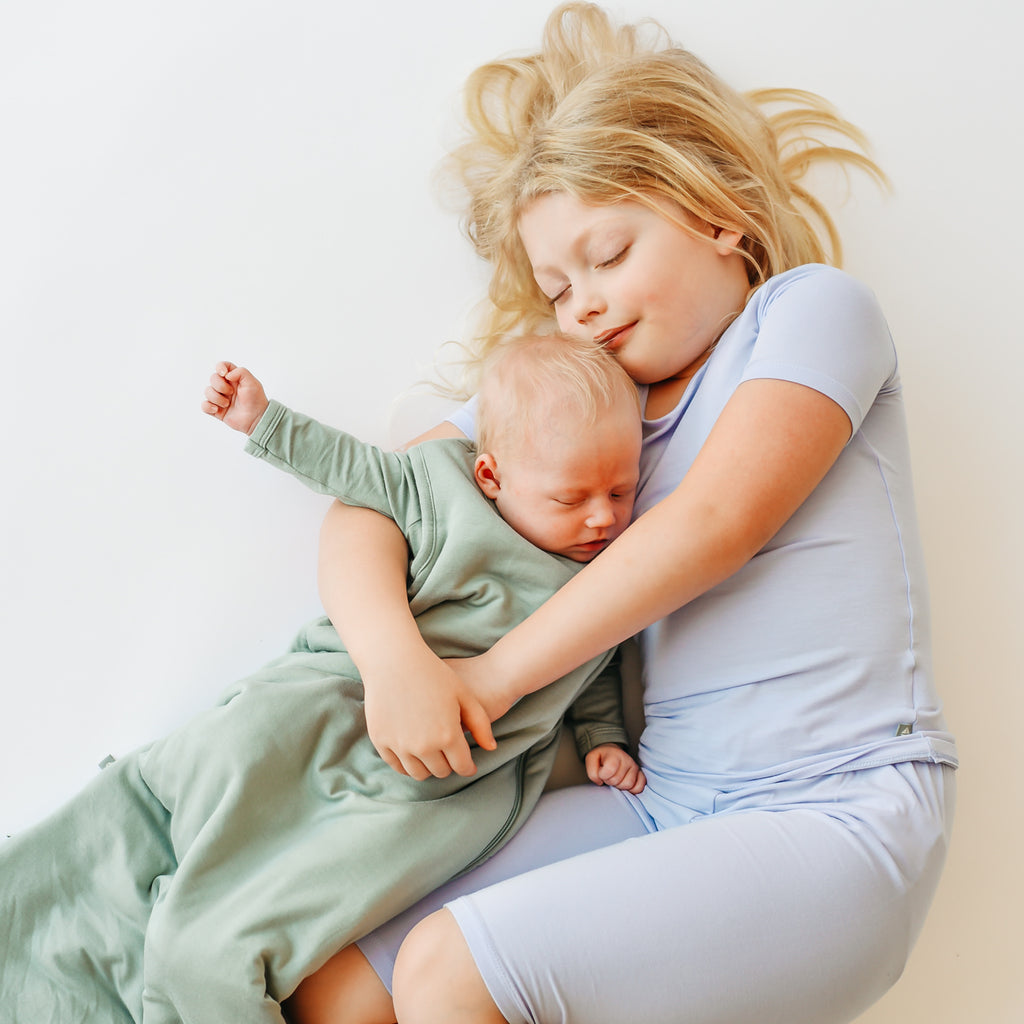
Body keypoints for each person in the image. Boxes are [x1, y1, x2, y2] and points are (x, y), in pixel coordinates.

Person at [286, 4, 958, 1024]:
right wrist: (394, 664)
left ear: (717, 213)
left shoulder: (809, 313)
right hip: (666, 806)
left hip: (839, 810)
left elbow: (716, 522)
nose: (583, 305)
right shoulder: (586, 402)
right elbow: (370, 505)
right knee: (335, 974)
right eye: (556, 288)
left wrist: (493, 676)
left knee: (450, 971)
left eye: (607, 256)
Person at [0, 332, 644, 1024]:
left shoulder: (605, 577)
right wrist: (263, 419)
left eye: (621, 489)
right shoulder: (442, 485)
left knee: (292, 887)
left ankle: (207, 960)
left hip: (445, 777)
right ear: (492, 476)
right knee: (230, 752)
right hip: (342, 695)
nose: (603, 516)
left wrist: (604, 735)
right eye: (571, 497)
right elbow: (355, 471)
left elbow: (591, 663)